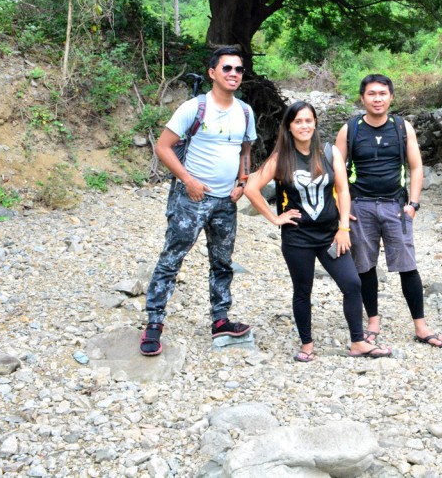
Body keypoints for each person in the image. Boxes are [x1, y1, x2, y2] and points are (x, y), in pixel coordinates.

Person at [244, 101, 391, 359]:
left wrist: (344, 227)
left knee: (352, 284)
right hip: (297, 237)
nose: (304, 126)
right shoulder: (281, 158)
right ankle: (307, 346)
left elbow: (344, 190)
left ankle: (358, 341)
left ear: (315, 124)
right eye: (298, 121)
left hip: (330, 235)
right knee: (303, 290)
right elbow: (251, 188)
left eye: (308, 121)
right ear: (289, 126)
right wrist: (274, 218)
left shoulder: (329, 152)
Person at [140, 46, 257, 356]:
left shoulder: (245, 112)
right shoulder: (194, 107)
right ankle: (154, 323)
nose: (234, 74)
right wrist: (188, 180)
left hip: (225, 202)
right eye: (227, 68)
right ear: (212, 73)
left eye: (239, 70)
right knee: (171, 259)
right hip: (191, 198)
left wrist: (243, 182)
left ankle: (220, 320)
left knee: (222, 263)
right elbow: (163, 148)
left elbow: (245, 151)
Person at [335, 75, 442, 348]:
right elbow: (335, 172)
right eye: (371, 94)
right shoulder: (350, 129)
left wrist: (414, 204)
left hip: (396, 206)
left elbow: (416, 167)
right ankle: (372, 322)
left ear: (391, 97)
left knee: (408, 266)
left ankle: (420, 326)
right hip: (360, 206)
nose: (377, 99)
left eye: (382, 94)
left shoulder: (401, 127)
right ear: (362, 98)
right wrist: (341, 210)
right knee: (365, 267)